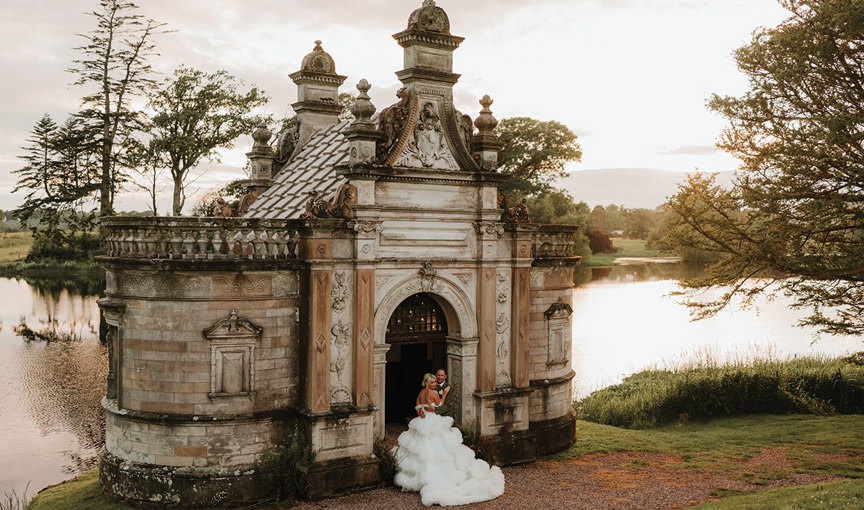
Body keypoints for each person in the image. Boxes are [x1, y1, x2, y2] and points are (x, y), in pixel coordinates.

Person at [392, 373, 505, 506]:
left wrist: (422, 412)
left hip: (422, 420)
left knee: (421, 445)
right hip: (432, 420)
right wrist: (444, 393)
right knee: (439, 445)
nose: (434, 384)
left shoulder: (421, 392)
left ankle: (420, 478)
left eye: (435, 382)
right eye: (432, 382)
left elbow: (417, 406)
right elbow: (439, 405)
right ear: (428, 383)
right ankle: (437, 476)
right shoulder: (432, 392)